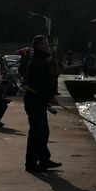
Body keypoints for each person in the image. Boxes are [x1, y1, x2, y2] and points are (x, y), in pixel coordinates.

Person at [23, 35, 61, 172]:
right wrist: (50, 97)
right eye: (43, 43)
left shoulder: (42, 59)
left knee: (43, 132)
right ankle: (31, 163)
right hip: (35, 102)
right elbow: (40, 84)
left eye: (46, 43)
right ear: (37, 46)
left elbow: (45, 82)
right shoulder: (37, 61)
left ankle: (44, 159)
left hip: (40, 101)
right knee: (36, 133)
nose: (46, 45)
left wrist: (49, 96)